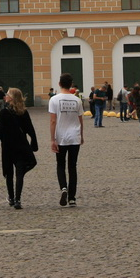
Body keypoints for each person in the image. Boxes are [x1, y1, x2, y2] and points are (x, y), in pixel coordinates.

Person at [0, 87, 38, 209]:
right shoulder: (23, 112)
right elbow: (30, 129)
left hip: (8, 147)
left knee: (9, 174)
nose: (5, 96)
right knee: (19, 174)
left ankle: (11, 198)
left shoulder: (4, 113)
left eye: (7, 94)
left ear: (11, 98)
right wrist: (34, 143)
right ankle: (18, 200)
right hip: (21, 146)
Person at [49, 73, 84, 207]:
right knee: (72, 167)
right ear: (71, 85)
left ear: (59, 84)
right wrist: (81, 135)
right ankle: (72, 198)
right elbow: (80, 120)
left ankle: (63, 188)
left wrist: (52, 139)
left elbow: (53, 121)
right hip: (74, 136)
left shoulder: (54, 100)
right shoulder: (77, 100)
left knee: (60, 165)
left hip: (61, 136)